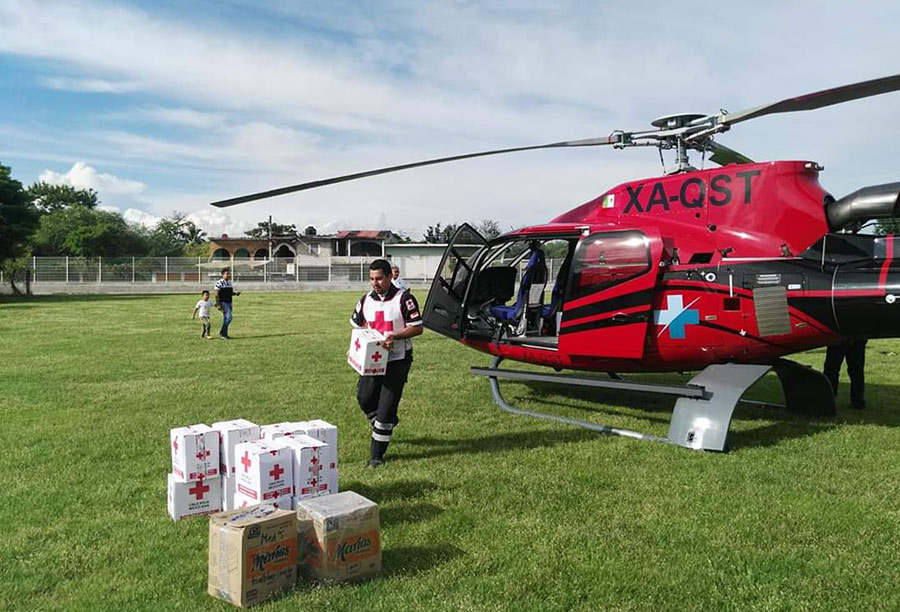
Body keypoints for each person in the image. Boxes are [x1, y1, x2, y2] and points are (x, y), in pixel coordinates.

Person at [351, 259, 423, 468]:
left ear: (390, 276)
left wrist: (395, 336)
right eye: (372, 279)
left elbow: (417, 327)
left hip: (397, 360)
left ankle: (376, 456)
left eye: (379, 278)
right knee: (364, 398)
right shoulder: (365, 300)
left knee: (384, 410)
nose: (375, 283)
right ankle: (387, 422)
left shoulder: (405, 299)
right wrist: (354, 347)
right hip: (372, 360)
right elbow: (358, 327)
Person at [823, 338, 868, 410]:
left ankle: (828, 400)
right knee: (856, 369)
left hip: (840, 336)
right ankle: (858, 401)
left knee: (832, 370)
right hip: (858, 336)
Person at [214, 268, 241, 339]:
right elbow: (216, 294)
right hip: (223, 303)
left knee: (226, 318)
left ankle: (224, 334)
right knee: (229, 317)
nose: (229, 275)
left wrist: (235, 294)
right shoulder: (219, 283)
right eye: (227, 274)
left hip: (229, 302)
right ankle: (222, 333)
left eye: (229, 274)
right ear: (222, 275)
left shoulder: (229, 283)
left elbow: (230, 293)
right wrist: (218, 304)